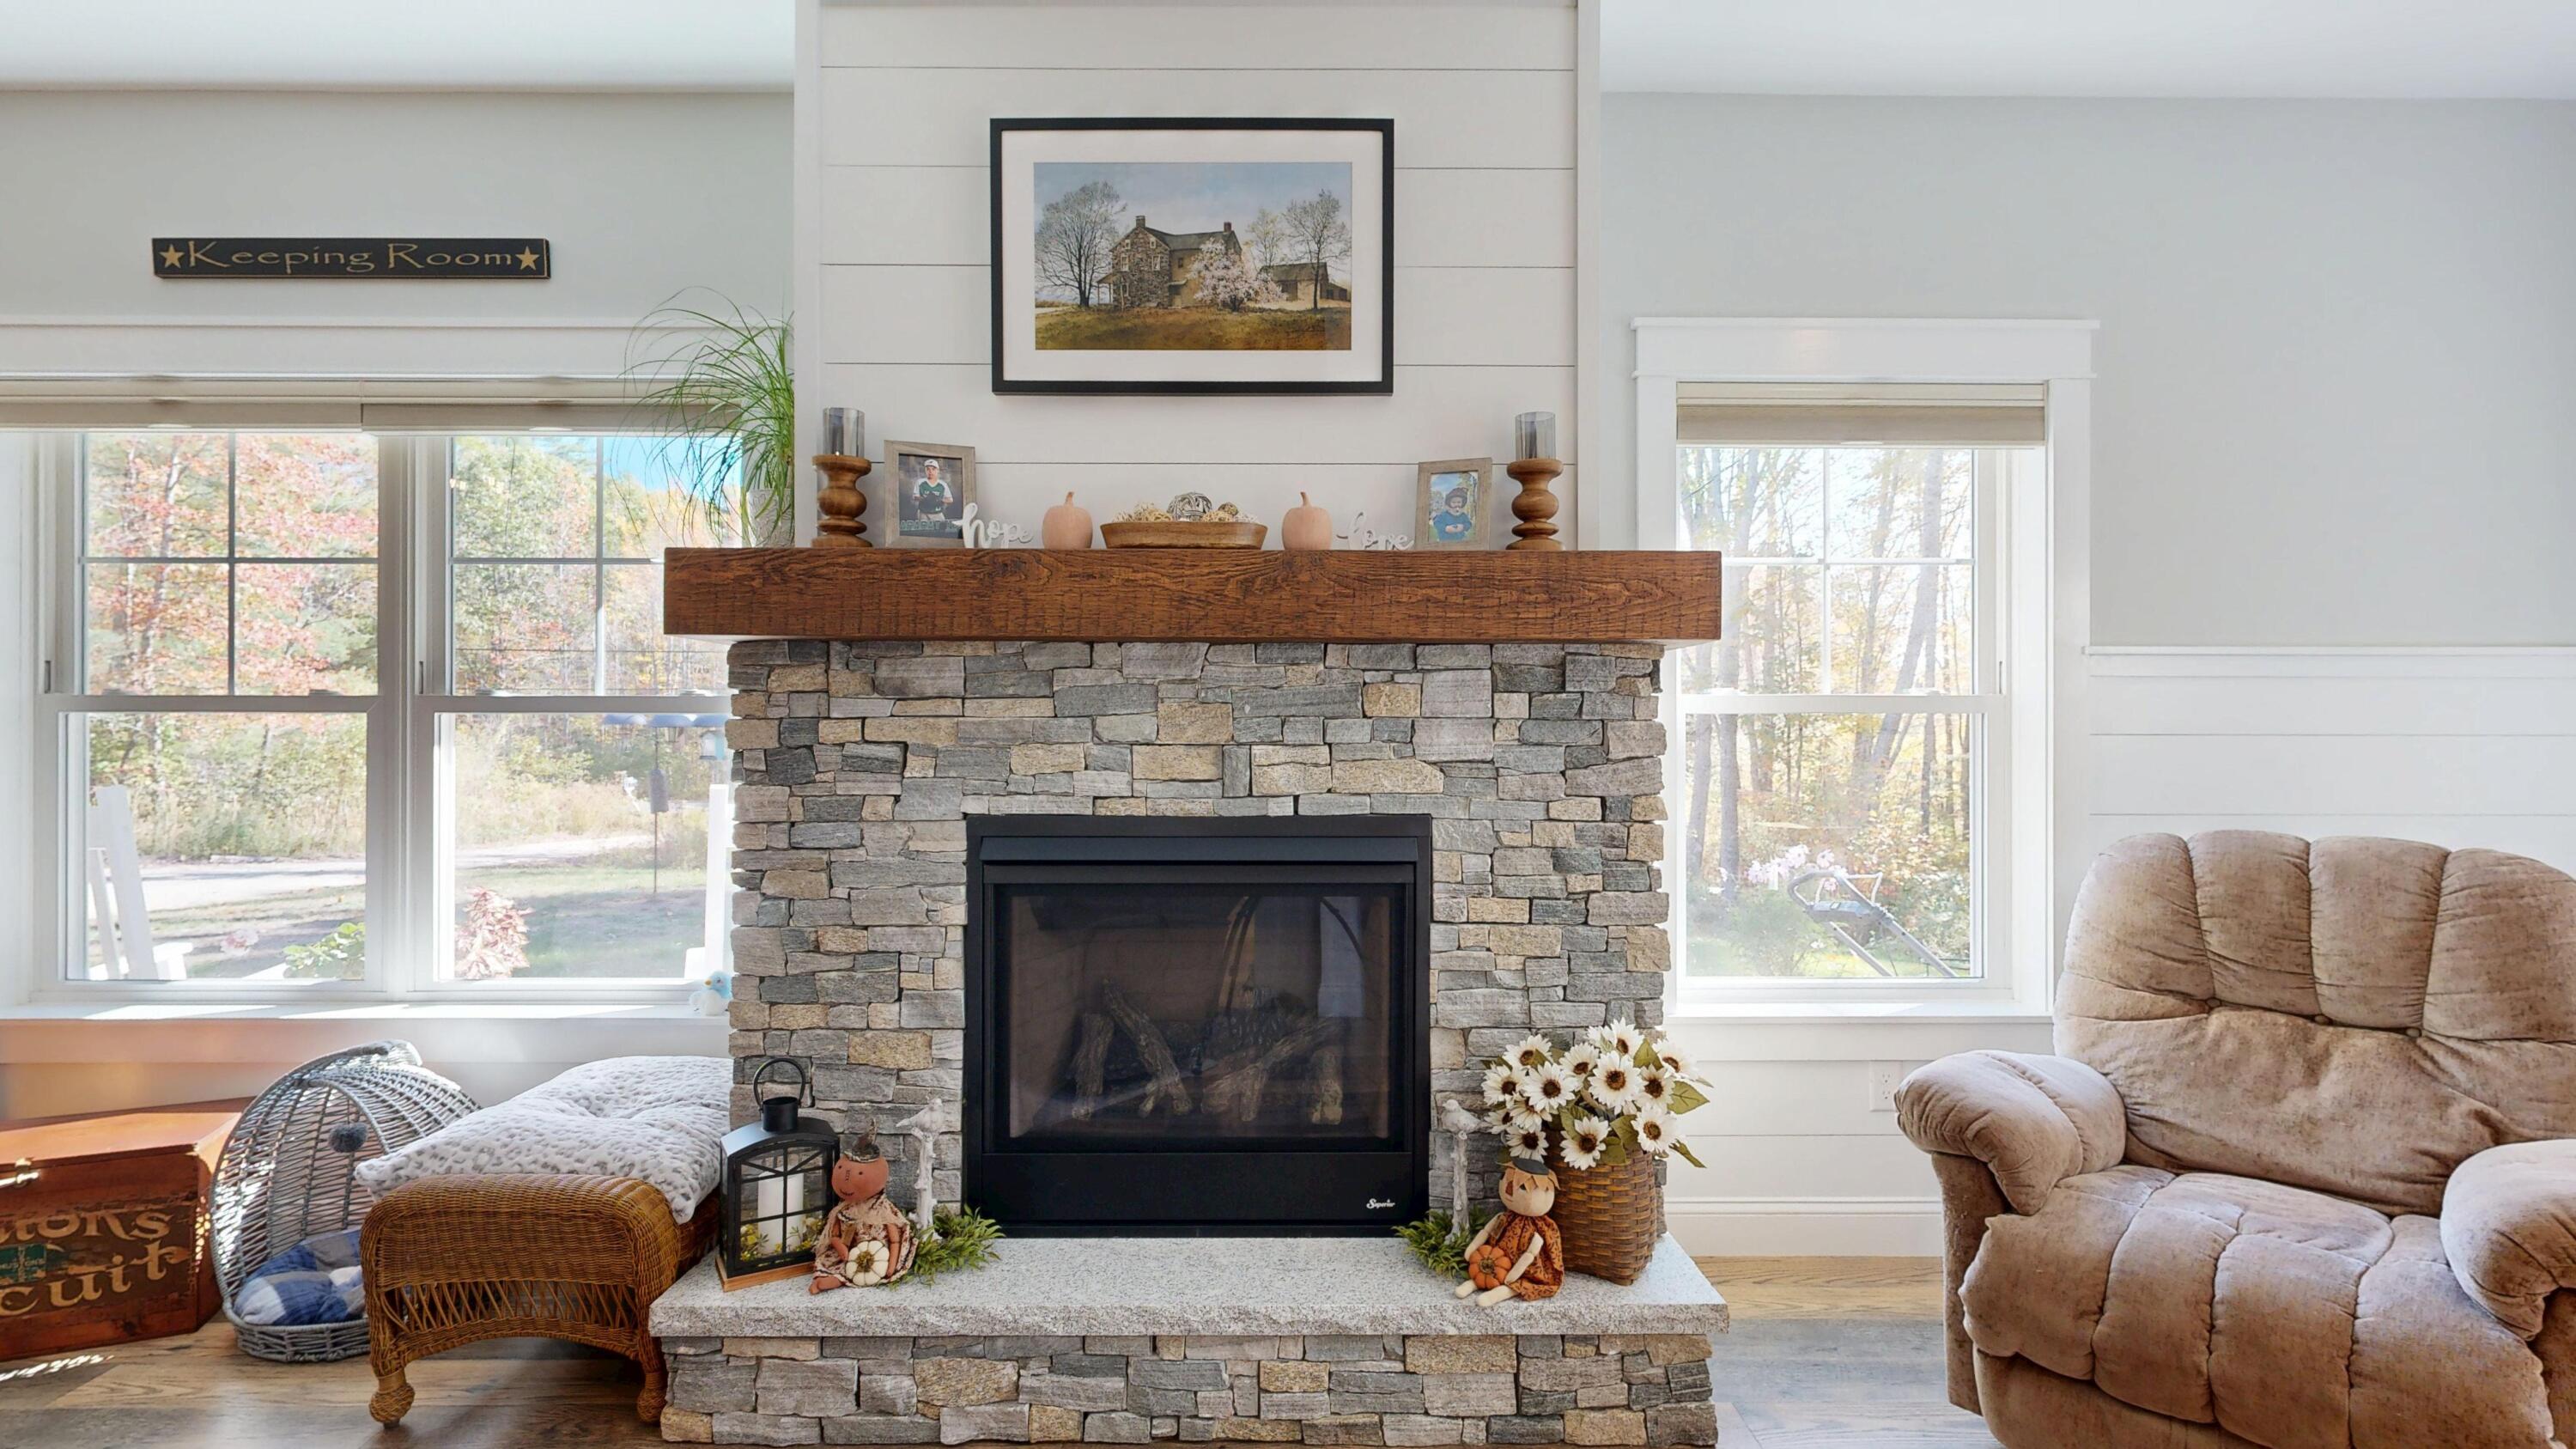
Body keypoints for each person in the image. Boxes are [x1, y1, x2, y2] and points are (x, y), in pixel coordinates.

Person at [1453, 1154, 1564, 1305]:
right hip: (1494, 1260)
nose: (1509, 1190)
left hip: (1522, 1269)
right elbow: (1486, 1231)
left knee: (1516, 1282)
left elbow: (1530, 1254)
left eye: (1521, 1187)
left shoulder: (1541, 1229)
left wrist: (1513, 1274)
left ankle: (1502, 1292)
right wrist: (1472, 1248)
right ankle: (1474, 1283)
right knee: (1485, 1270)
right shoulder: (1504, 1217)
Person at [1430, 480, 1478, 544]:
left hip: (1459, 541)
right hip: (1445, 541)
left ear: (1462, 503)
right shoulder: (1444, 515)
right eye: (1454, 502)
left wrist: (1463, 527)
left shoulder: (1463, 515)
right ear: (1449, 503)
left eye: (1459, 502)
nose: (1456, 504)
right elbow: (1437, 523)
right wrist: (1445, 528)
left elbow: (1469, 523)